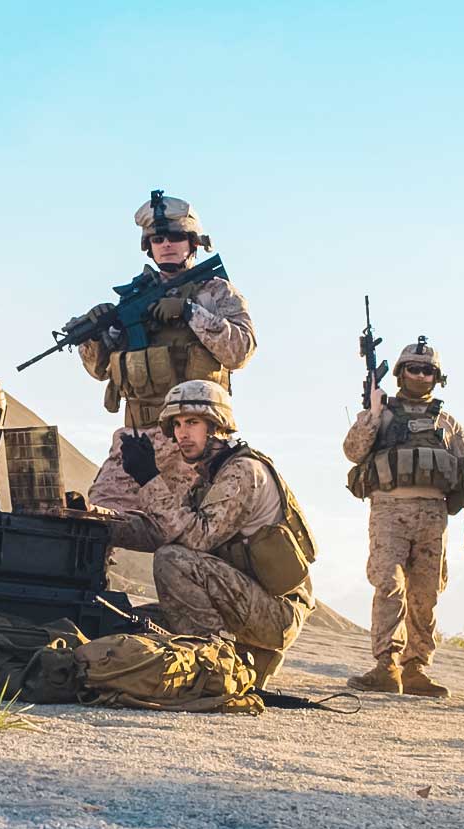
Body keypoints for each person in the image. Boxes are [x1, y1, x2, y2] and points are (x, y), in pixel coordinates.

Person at [109, 380, 316, 688]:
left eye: (192, 422)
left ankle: (213, 666)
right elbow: (167, 529)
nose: (182, 433)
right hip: (246, 600)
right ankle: (237, 657)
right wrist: (100, 522)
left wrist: (149, 479)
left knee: (172, 560)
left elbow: (195, 540)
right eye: (177, 424)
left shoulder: (242, 471)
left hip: (276, 612)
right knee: (131, 623)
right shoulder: (210, 475)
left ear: (218, 425)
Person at [75, 191, 256, 513]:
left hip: (194, 440)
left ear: (193, 243)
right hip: (136, 437)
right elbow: (101, 370)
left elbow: (240, 351)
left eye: (175, 237)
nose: (167, 244)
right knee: (99, 519)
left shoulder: (215, 293)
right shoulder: (133, 299)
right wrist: (95, 335)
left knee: (188, 531)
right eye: (158, 239)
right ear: (149, 246)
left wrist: (189, 312)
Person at [342, 337, 464, 697]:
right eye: (413, 369)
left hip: (433, 516)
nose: (421, 376)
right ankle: (386, 665)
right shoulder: (383, 414)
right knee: (389, 583)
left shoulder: (446, 423)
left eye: (428, 370)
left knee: (426, 592)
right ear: (401, 373)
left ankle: (416, 667)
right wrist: (372, 415)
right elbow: (353, 451)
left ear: (438, 378)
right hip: (390, 511)